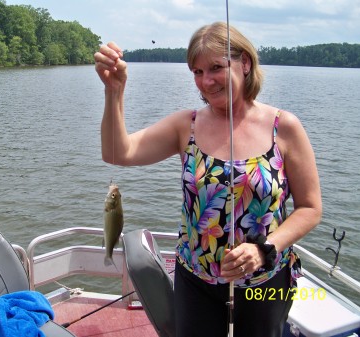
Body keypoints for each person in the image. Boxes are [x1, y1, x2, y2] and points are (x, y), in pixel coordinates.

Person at [94, 22, 322, 337]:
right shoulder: (185, 126)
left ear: (245, 64)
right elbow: (118, 152)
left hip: (266, 281)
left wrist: (264, 249)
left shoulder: (284, 128)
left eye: (216, 67)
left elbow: (310, 208)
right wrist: (114, 91)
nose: (206, 81)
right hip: (195, 281)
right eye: (197, 72)